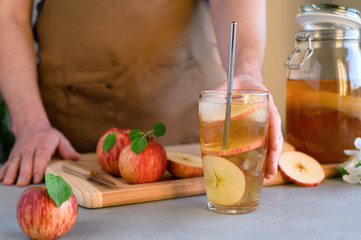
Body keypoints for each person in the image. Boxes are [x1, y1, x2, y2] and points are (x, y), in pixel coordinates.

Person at [0, 0, 283, 186]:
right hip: (71, 158)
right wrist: (29, 124)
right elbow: (8, 13)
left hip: (191, 146)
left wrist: (246, 71)